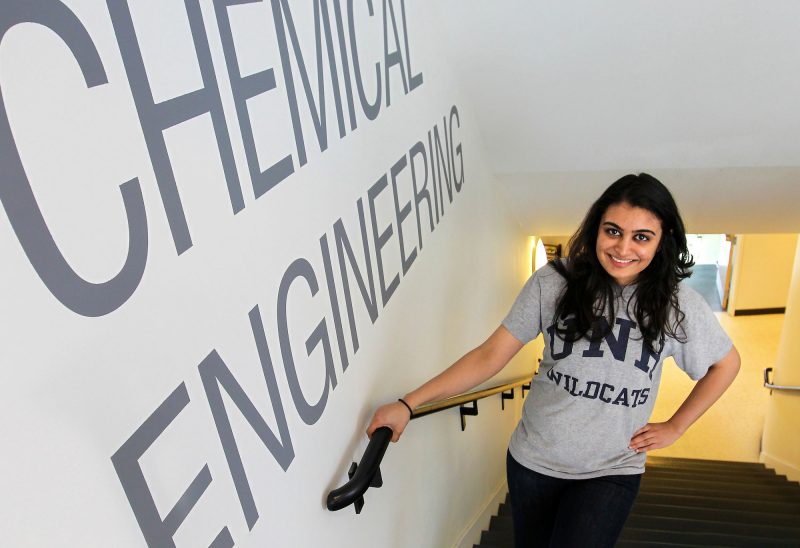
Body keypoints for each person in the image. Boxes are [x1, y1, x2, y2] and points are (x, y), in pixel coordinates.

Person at [366, 173, 740, 548]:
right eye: (613, 231)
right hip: (535, 461)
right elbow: (489, 355)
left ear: (662, 242)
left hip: (612, 467)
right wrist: (407, 404)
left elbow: (726, 364)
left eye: (642, 237)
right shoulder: (555, 282)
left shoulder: (677, 305)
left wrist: (678, 425)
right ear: (596, 229)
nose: (623, 247)